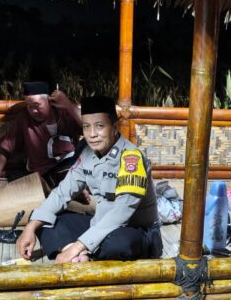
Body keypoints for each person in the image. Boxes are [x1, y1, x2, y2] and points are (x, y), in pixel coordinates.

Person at [17, 96, 162, 263]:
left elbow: (121, 212)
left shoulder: (131, 158)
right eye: (86, 127)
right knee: (44, 218)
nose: (92, 134)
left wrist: (78, 245)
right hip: (100, 225)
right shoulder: (87, 153)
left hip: (135, 231)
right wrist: (30, 227)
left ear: (114, 127)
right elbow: (61, 193)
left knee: (120, 244)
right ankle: (78, 256)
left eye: (100, 126)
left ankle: (76, 252)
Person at [0, 81, 82, 189]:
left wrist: (68, 104)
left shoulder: (64, 112)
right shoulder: (23, 118)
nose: (33, 111)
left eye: (37, 105)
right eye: (29, 106)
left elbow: (90, 127)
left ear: (49, 101)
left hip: (71, 166)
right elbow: (5, 148)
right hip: (43, 174)